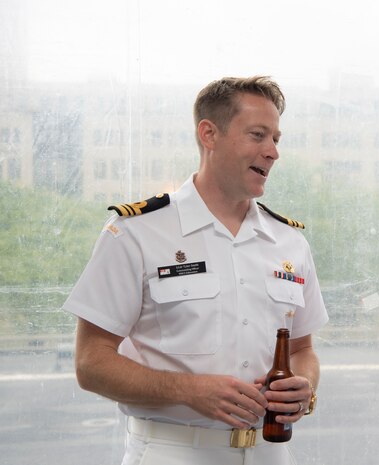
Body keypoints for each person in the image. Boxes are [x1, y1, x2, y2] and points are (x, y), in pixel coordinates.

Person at [63, 76, 328, 465]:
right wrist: (188, 390)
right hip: (172, 451)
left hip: (270, 455)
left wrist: (305, 388)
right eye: (258, 135)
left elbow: (303, 349)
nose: (272, 152)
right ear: (209, 134)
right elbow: (91, 363)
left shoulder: (289, 242)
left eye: (276, 138)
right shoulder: (136, 232)